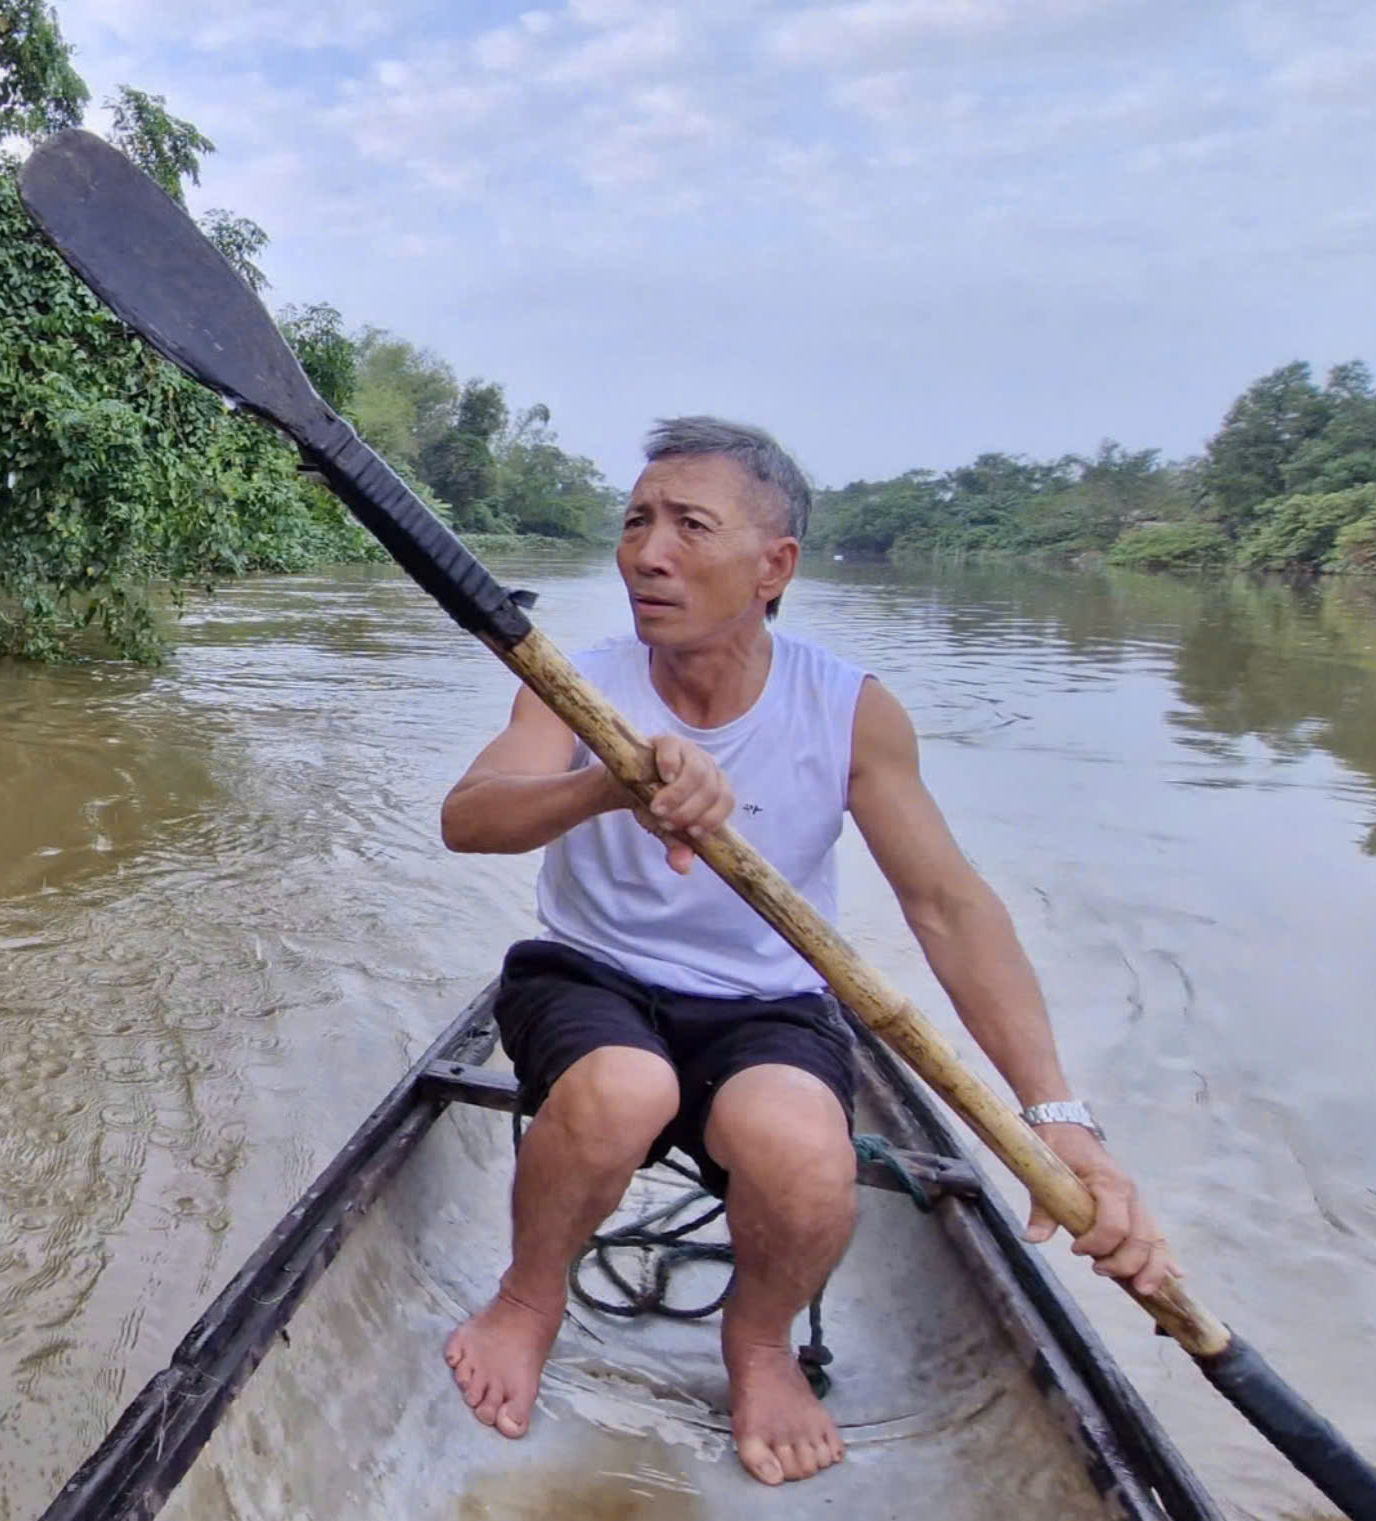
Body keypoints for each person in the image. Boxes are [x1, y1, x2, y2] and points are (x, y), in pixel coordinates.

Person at [435, 416, 1175, 1487]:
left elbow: (948, 906)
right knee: (621, 1089)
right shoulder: (575, 684)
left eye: (690, 526)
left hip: (766, 1003)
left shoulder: (848, 708)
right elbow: (470, 816)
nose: (647, 552)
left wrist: (1058, 1117)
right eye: (637, 522)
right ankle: (527, 1296)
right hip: (591, 977)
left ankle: (761, 1342)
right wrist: (607, 779)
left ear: (774, 566)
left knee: (807, 1152)